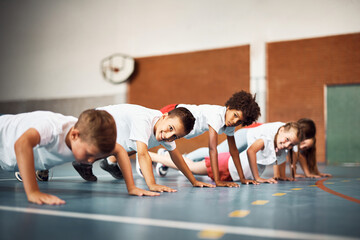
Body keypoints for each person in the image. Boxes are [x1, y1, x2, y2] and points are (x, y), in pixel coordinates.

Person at [0, 109, 157, 205]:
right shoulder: (52, 128)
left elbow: (120, 150)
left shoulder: (88, 138)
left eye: (95, 157)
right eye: (89, 154)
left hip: (10, 159)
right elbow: (21, 144)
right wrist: (33, 192)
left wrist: (131, 187)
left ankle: (42, 169)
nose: (90, 161)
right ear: (75, 135)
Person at [72, 104, 215, 192]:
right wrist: (152, 184)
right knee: (73, 149)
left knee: (123, 146)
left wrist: (194, 181)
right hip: (94, 121)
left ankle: (93, 163)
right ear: (164, 116)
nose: (169, 136)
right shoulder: (144, 120)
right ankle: (71, 163)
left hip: (116, 136)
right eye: (170, 128)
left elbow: (176, 156)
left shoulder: (164, 130)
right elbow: (142, 154)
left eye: (175, 136)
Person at [154, 91, 261, 187]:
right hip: (173, 113)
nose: (234, 121)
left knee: (157, 142)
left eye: (239, 121)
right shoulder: (217, 115)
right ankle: (150, 158)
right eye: (235, 115)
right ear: (229, 107)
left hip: (182, 129)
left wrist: (242, 178)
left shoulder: (229, 125)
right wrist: (217, 180)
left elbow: (234, 151)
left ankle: (161, 155)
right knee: (148, 138)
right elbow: (212, 149)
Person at [151, 122, 302, 184]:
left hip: (231, 173)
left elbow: (282, 163)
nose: (288, 144)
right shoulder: (266, 139)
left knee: (191, 166)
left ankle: (164, 156)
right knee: (190, 167)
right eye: (288, 140)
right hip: (227, 163)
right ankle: (154, 156)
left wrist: (284, 177)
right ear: (281, 130)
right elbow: (251, 151)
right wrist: (258, 177)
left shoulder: (282, 150)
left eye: (292, 145)